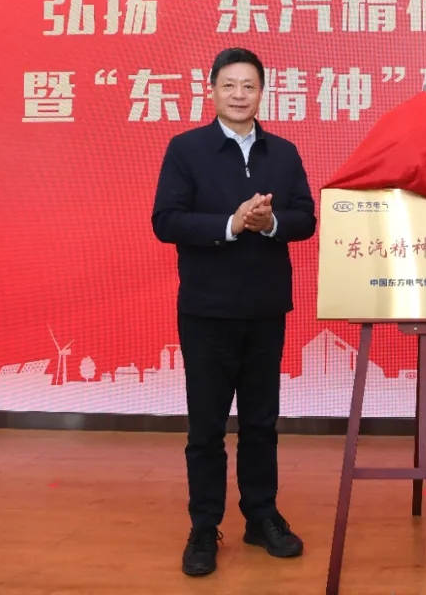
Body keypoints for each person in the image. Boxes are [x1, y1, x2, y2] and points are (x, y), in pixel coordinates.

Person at [151, 47, 316, 577]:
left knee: (261, 423)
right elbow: (166, 220)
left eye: (249, 86)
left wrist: (270, 223)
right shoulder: (186, 149)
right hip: (206, 310)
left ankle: (261, 516)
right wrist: (231, 223)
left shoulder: (283, 153)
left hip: (266, 308)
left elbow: (306, 218)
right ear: (212, 90)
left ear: (262, 93)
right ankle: (204, 526)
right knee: (206, 427)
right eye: (229, 85)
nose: (239, 95)